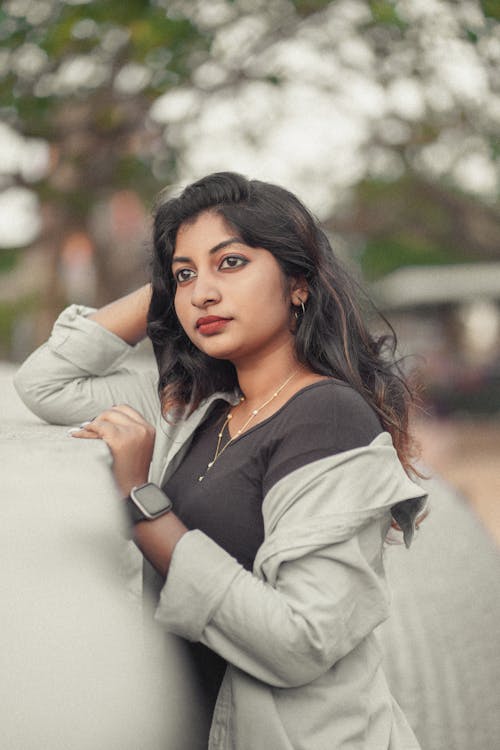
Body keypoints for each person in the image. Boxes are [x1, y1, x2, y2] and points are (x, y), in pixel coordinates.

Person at [15, 171, 427, 749]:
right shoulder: (195, 409)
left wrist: (142, 504)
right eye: (186, 273)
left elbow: (300, 640)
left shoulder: (329, 418)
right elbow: (45, 383)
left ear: (298, 282)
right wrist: (169, 289)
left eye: (230, 263)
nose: (203, 293)